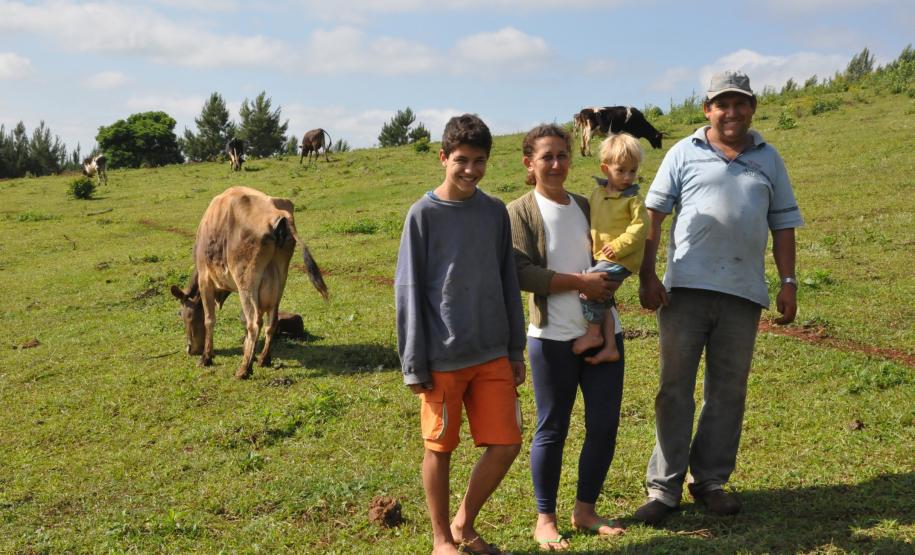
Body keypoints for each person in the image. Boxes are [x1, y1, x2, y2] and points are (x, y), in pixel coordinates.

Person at [633, 70, 804, 526]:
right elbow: (653, 218)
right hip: (684, 292)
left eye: (740, 103)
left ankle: (709, 480)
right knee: (674, 389)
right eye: (722, 104)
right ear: (707, 109)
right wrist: (647, 276)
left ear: (752, 108)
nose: (732, 112)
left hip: (743, 293)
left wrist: (788, 281)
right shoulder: (682, 152)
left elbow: (783, 224)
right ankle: (664, 488)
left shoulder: (769, 158)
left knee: (728, 391)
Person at [395, 114, 527, 555]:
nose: (471, 170)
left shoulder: (494, 212)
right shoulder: (423, 215)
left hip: (491, 352)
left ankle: (463, 524)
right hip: (442, 357)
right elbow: (408, 289)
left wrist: (515, 349)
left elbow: (508, 279)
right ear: (443, 158)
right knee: (440, 448)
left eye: (479, 161)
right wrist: (413, 361)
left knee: (507, 443)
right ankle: (440, 540)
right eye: (462, 160)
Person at [507, 124, 625, 551]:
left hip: (605, 332)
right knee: (552, 428)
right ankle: (545, 518)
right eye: (547, 157)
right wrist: (580, 281)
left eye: (562, 155)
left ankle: (585, 510)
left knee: (604, 426)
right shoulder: (519, 211)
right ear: (530, 163)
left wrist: (612, 274)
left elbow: (611, 248)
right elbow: (521, 272)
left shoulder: (585, 204)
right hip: (551, 336)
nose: (556, 164)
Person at [571, 133, 648, 364]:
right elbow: (595, 219)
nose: (627, 177)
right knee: (604, 300)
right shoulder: (597, 194)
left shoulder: (633, 199)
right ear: (605, 169)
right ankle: (611, 347)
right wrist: (589, 233)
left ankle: (594, 333)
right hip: (603, 256)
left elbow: (640, 228)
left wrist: (617, 246)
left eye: (632, 171)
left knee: (588, 283)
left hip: (622, 258)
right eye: (621, 170)